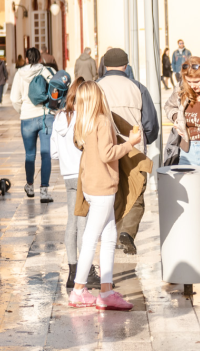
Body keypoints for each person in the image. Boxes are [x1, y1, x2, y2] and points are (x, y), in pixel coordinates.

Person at [68, 81, 142, 311]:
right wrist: (130, 143)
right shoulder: (101, 120)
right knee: (93, 238)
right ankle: (79, 290)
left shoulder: (83, 121)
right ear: (97, 97)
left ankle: (106, 291)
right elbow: (107, 153)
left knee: (109, 237)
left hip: (92, 185)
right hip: (103, 187)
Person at [96, 47, 159, 255]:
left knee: (111, 193)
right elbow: (151, 124)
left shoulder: (96, 87)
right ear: (126, 65)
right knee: (136, 192)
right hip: (134, 148)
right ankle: (127, 233)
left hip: (105, 148)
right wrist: (144, 140)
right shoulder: (137, 87)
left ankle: (111, 234)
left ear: (105, 65)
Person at [51, 79, 98, 292]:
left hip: (67, 174)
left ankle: (72, 271)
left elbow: (52, 153)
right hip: (83, 172)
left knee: (72, 221)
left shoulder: (59, 117)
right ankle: (85, 272)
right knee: (83, 222)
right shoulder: (84, 117)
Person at [10, 47, 55, 203]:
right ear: (40, 58)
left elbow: (14, 98)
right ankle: (44, 190)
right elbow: (56, 92)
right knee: (46, 154)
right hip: (45, 116)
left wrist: (22, 110)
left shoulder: (19, 74)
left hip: (27, 117)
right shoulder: (46, 71)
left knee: (30, 154)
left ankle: (30, 186)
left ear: (27, 59)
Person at [164, 55, 200, 166]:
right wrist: (176, 118)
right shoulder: (181, 88)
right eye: (189, 81)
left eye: (196, 81)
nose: (192, 86)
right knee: (188, 183)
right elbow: (169, 106)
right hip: (187, 150)